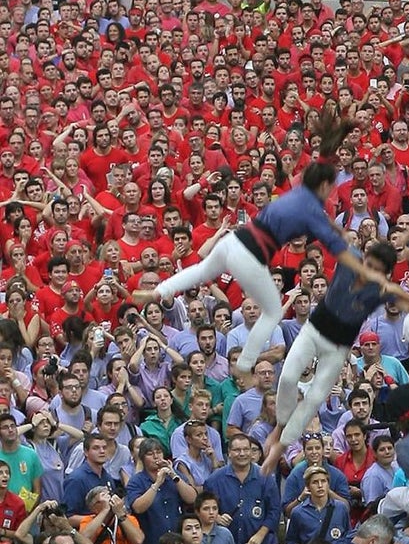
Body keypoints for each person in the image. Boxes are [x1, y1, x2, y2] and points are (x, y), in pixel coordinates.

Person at [134, 110, 392, 373]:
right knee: (272, 313)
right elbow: (342, 253)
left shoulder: (302, 188)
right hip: (251, 254)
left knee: (200, 271)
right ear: (325, 186)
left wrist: (343, 130)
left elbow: (325, 153)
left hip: (234, 239)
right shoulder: (313, 212)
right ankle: (245, 363)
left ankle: (159, 291)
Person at [260, 242, 409, 470]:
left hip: (338, 348)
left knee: (315, 399)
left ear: (386, 273)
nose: (370, 272)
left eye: (378, 270)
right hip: (313, 331)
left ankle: (280, 446)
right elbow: (327, 230)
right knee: (288, 378)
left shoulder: (382, 291)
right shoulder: (349, 257)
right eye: (369, 265)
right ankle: (280, 427)